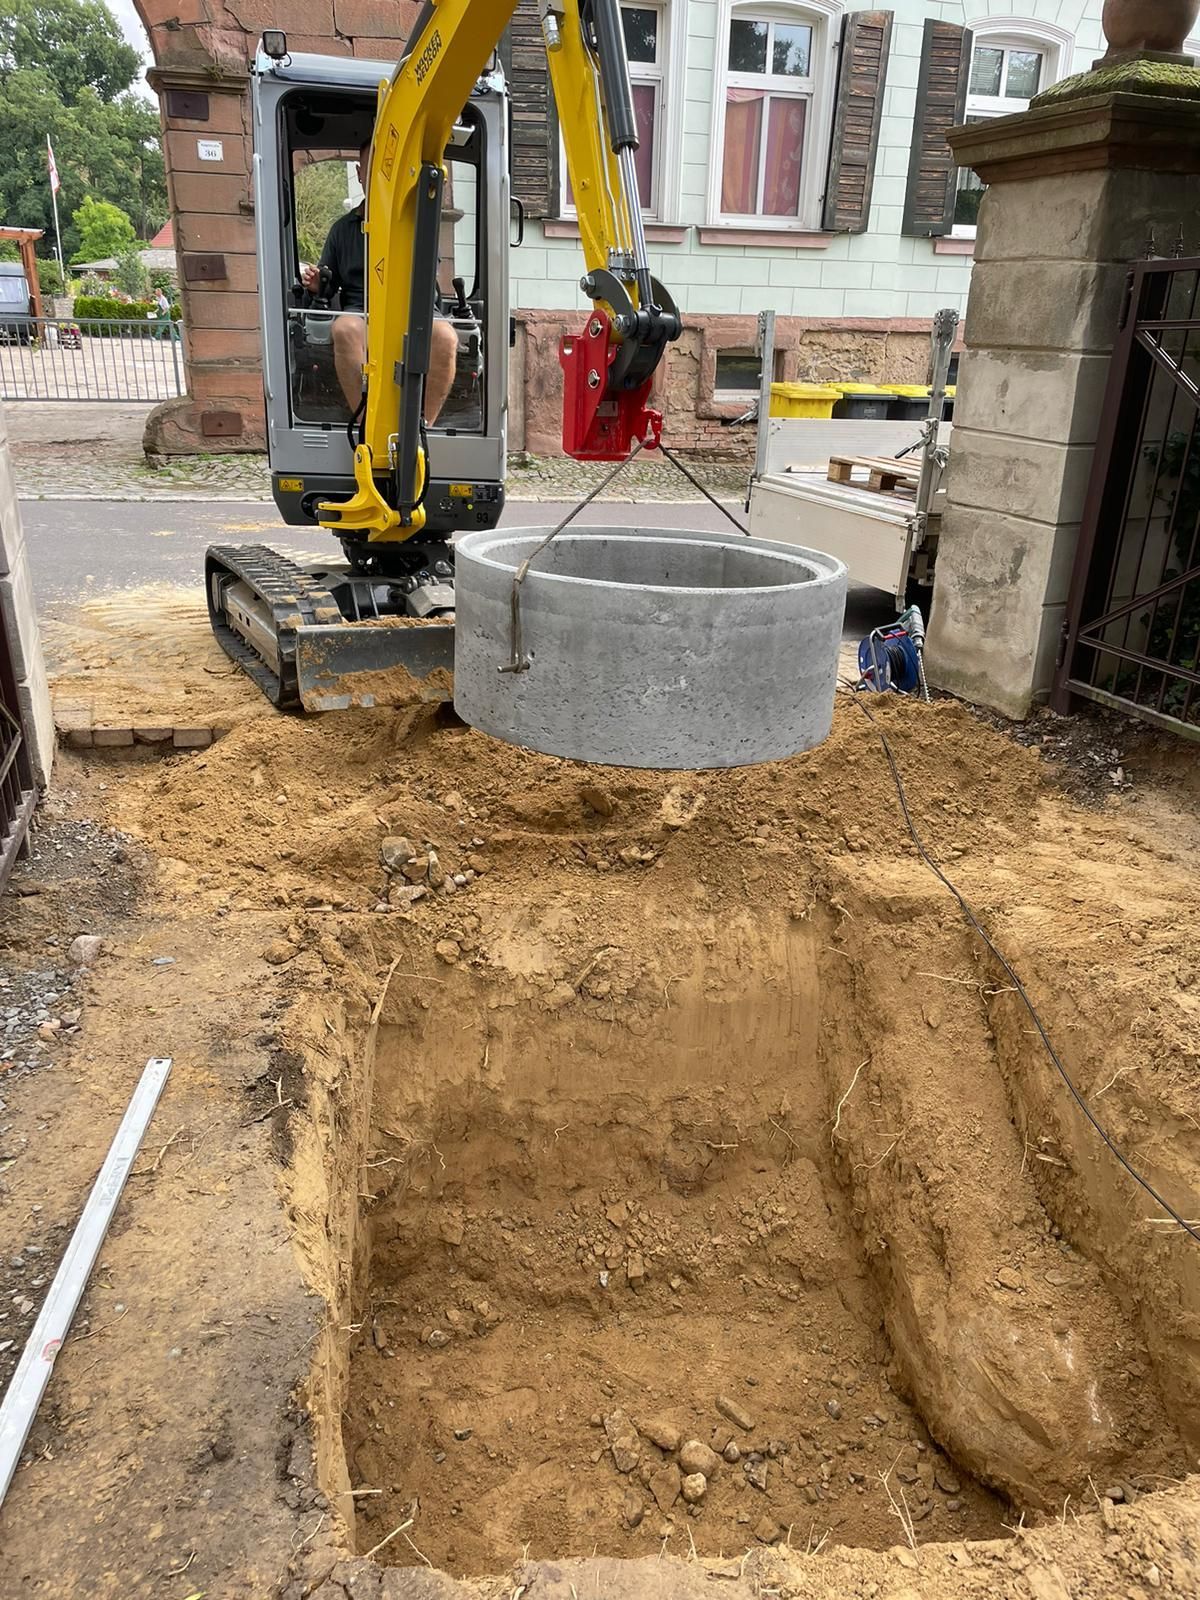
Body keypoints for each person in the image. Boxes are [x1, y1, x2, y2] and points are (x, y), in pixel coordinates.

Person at [303, 141, 458, 422]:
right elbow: (329, 282)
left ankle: (423, 425)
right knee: (344, 329)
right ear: (360, 172)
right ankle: (366, 423)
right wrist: (317, 285)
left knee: (446, 337)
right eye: (374, 170)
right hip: (360, 309)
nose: (382, 178)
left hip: (412, 307)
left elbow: (426, 277)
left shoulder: (418, 225)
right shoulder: (342, 229)